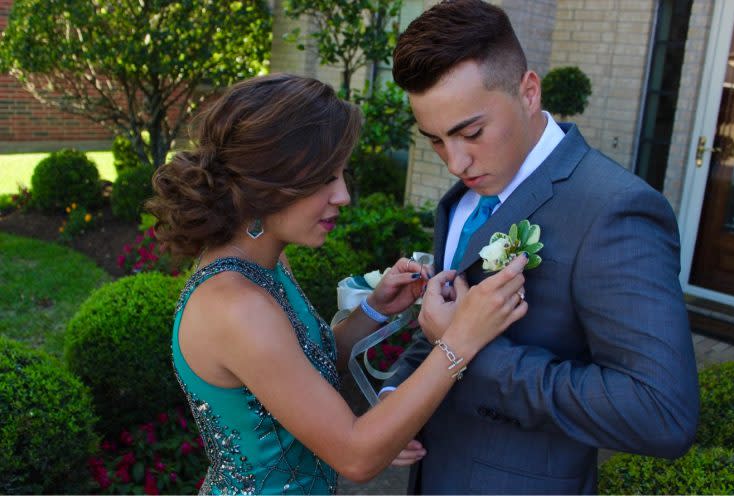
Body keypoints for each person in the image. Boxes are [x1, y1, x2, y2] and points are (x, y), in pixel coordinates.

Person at [147, 73, 529, 495]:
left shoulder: (264, 263)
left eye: (341, 174)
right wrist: (460, 341)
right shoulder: (236, 306)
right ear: (264, 182)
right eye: (325, 178)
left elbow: (301, 366)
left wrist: (373, 311)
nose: (343, 195)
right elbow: (356, 455)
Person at [381, 1, 700, 493]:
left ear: (529, 92)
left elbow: (661, 413)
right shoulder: (464, 200)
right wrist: (397, 394)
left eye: (471, 132)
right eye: (435, 141)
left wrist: (468, 350)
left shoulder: (615, 211)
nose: (455, 162)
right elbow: (440, 318)